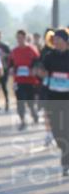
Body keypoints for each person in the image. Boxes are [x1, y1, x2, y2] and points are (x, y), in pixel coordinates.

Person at [41, 28, 69, 176]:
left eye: (59, 39)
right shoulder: (49, 57)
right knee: (58, 134)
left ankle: (65, 163)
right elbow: (44, 76)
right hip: (53, 98)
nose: (56, 41)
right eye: (55, 39)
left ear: (66, 41)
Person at [10, 29, 42, 130]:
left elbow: (38, 62)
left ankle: (34, 113)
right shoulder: (14, 51)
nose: (19, 40)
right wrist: (11, 69)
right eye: (18, 38)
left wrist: (34, 69)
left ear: (25, 38)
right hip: (19, 81)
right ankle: (22, 120)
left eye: (21, 37)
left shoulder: (32, 49)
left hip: (30, 81)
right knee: (20, 101)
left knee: (30, 103)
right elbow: (10, 64)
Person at [0, 29, 12, 113]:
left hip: (4, 69)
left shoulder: (5, 46)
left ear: (1, 36)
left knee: (4, 86)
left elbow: (11, 56)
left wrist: (5, 55)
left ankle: (7, 102)